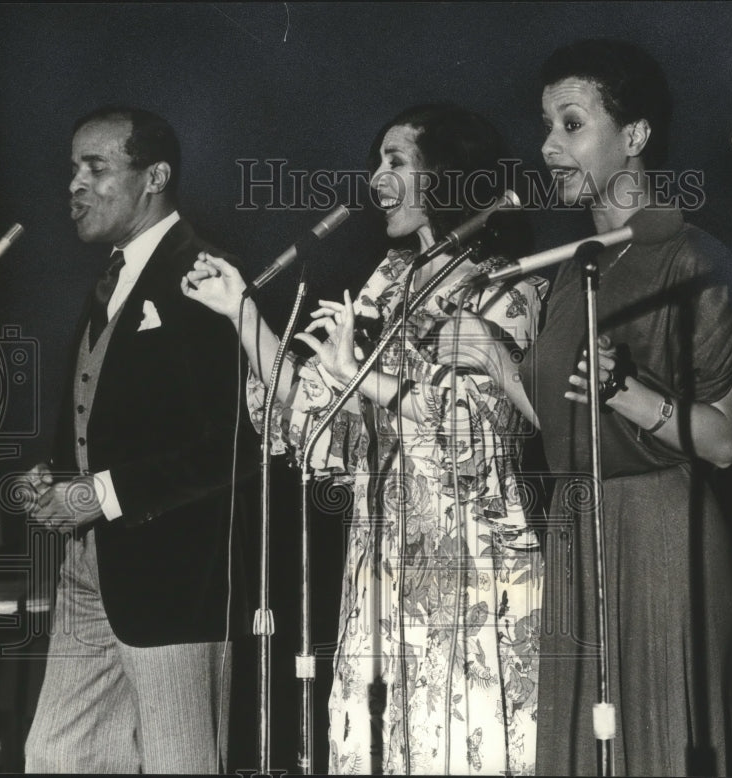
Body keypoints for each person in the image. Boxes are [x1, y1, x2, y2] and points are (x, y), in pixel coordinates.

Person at [182, 104, 546, 775]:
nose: (377, 177)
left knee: (466, 739)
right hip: (384, 557)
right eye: (378, 160)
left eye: (396, 161)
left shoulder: (508, 286)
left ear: (447, 172)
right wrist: (241, 312)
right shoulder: (388, 281)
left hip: (473, 557)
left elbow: (475, 430)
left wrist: (366, 381)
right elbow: (316, 411)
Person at [511, 39, 732, 776]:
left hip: (659, 534)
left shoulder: (694, 258)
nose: (549, 146)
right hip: (578, 528)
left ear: (636, 136)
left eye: (571, 124)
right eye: (547, 127)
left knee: (655, 748)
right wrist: (494, 359)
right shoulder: (572, 266)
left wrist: (628, 392)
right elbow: (562, 422)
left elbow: (724, 440)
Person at [21, 105, 257, 773]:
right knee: (58, 756)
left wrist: (100, 493)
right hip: (91, 569)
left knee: (179, 760)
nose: (75, 184)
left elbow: (236, 444)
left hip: (176, 580)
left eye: (96, 168)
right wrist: (59, 474)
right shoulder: (113, 278)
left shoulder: (208, 274)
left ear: (155, 176)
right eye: (72, 169)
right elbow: (116, 411)